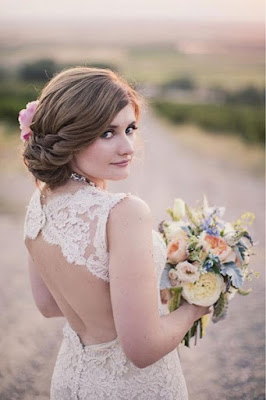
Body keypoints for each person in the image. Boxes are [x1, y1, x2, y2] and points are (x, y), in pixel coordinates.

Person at [21, 66, 211, 400]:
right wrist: (195, 307)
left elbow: (49, 305)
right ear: (71, 135)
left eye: (131, 128)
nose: (128, 148)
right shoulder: (123, 213)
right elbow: (142, 349)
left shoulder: (40, 202)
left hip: (69, 381)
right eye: (107, 133)